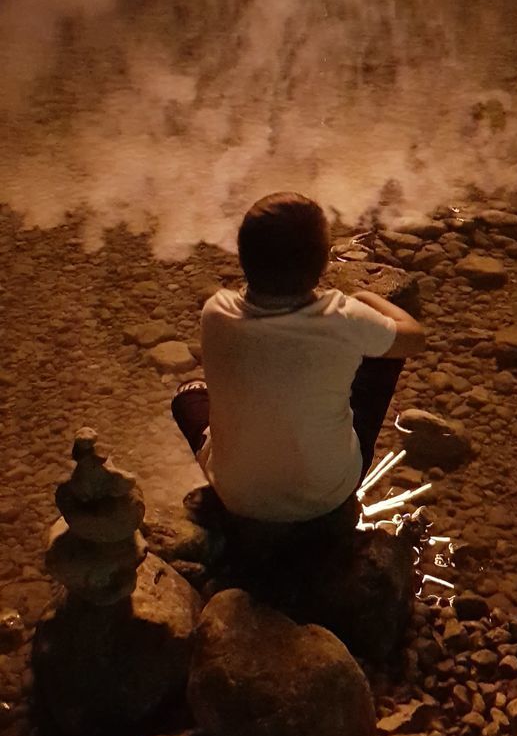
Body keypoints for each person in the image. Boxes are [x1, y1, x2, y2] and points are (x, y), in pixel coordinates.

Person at [171, 192, 425, 555]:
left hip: (237, 495)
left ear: (243, 258)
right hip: (328, 493)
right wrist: (367, 299)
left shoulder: (215, 310)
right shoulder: (343, 316)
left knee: (187, 394)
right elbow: (415, 338)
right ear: (322, 263)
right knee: (386, 354)